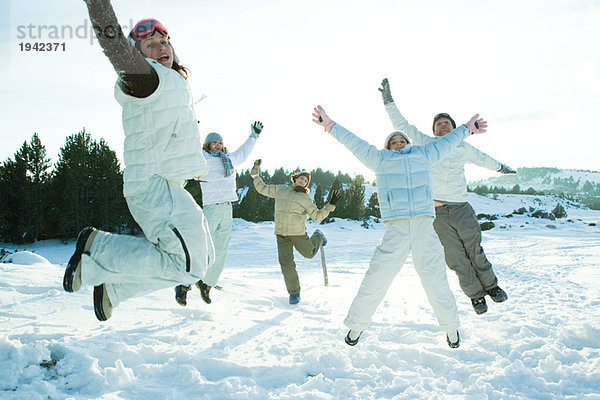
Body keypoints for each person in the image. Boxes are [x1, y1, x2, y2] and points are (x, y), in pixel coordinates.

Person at [63, 2, 214, 321]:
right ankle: (98, 249)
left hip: (168, 187)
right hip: (154, 187)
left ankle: (112, 290)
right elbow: (114, 44)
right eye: (150, 44)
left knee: (203, 259)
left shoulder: (171, 82)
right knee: (189, 264)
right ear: (139, 56)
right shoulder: (147, 80)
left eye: (164, 41)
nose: (161, 47)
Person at [312, 105, 488, 348]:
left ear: (408, 142)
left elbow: (447, 143)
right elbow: (354, 142)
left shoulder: (424, 155)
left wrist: (467, 129)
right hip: (395, 229)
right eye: (393, 140)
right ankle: (356, 325)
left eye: (401, 139)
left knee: (435, 279)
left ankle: (451, 328)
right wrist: (330, 126)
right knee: (377, 277)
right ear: (388, 146)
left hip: (424, 226)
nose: (398, 142)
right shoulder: (379, 159)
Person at [379, 79, 515, 315]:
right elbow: (402, 124)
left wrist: (501, 168)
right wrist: (388, 101)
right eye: (439, 124)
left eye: (447, 123)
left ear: (454, 128)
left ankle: (492, 287)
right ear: (434, 130)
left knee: (475, 250)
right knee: (455, 258)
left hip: (461, 207)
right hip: (437, 213)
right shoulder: (425, 145)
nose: (443, 125)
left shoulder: (462, 146)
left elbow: (484, 159)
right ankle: (476, 296)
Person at [175, 123, 263, 306]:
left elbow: (244, 151)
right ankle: (183, 285)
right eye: (213, 142)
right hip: (211, 208)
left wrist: (253, 136)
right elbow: (184, 164)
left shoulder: (229, 159)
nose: (217, 145)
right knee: (201, 247)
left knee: (221, 249)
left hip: (227, 207)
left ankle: (207, 284)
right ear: (207, 145)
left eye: (220, 142)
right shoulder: (202, 160)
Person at [250, 160, 341, 305]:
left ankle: (318, 236)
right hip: (281, 234)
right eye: (301, 178)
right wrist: (255, 174)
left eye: (306, 181)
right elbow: (263, 188)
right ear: (295, 178)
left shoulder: (305, 198)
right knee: (286, 264)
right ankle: (294, 292)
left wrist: (330, 205)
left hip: (298, 234)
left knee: (309, 254)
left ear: (306, 185)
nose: (303, 181)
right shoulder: (281, 190)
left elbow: (317, 216)